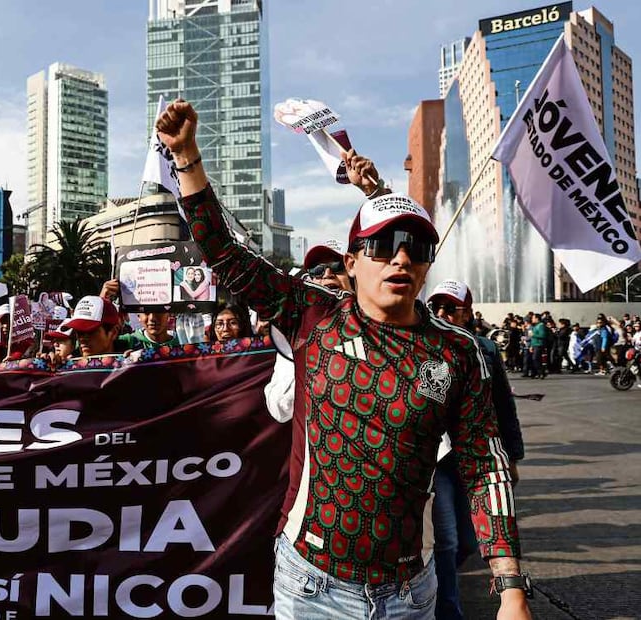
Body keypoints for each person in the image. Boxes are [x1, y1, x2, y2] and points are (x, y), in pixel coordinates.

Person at [156, 99, 528, 618]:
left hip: (409, 593)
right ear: (352, 263)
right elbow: (223, 252)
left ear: (427, 265)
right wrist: (187, 158)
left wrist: (510, 587)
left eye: (417, 248)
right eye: (383, 247)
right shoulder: (311, 315)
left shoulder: (458, 351)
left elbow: (485, 463)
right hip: (312, 587)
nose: (401, 258)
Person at [427, 280, 526, 620]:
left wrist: (512, 456)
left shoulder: (485, 349)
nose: (442, 314)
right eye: (435, 307)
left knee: (470, 542)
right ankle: (447, 610)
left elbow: (504, 407)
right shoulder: (421, 344)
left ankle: (431, 582)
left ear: (467, 313)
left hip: (475, 457)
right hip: (437, 458)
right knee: (447, 540)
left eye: (450, 308)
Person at [266, 241, 355, 424]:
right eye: (317, 270)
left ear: (354, 274)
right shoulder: (294, 336)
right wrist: (309, 361)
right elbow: (279, 409)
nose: (327, 274)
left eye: (337, 267)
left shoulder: (378, 324)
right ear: (309, 282)